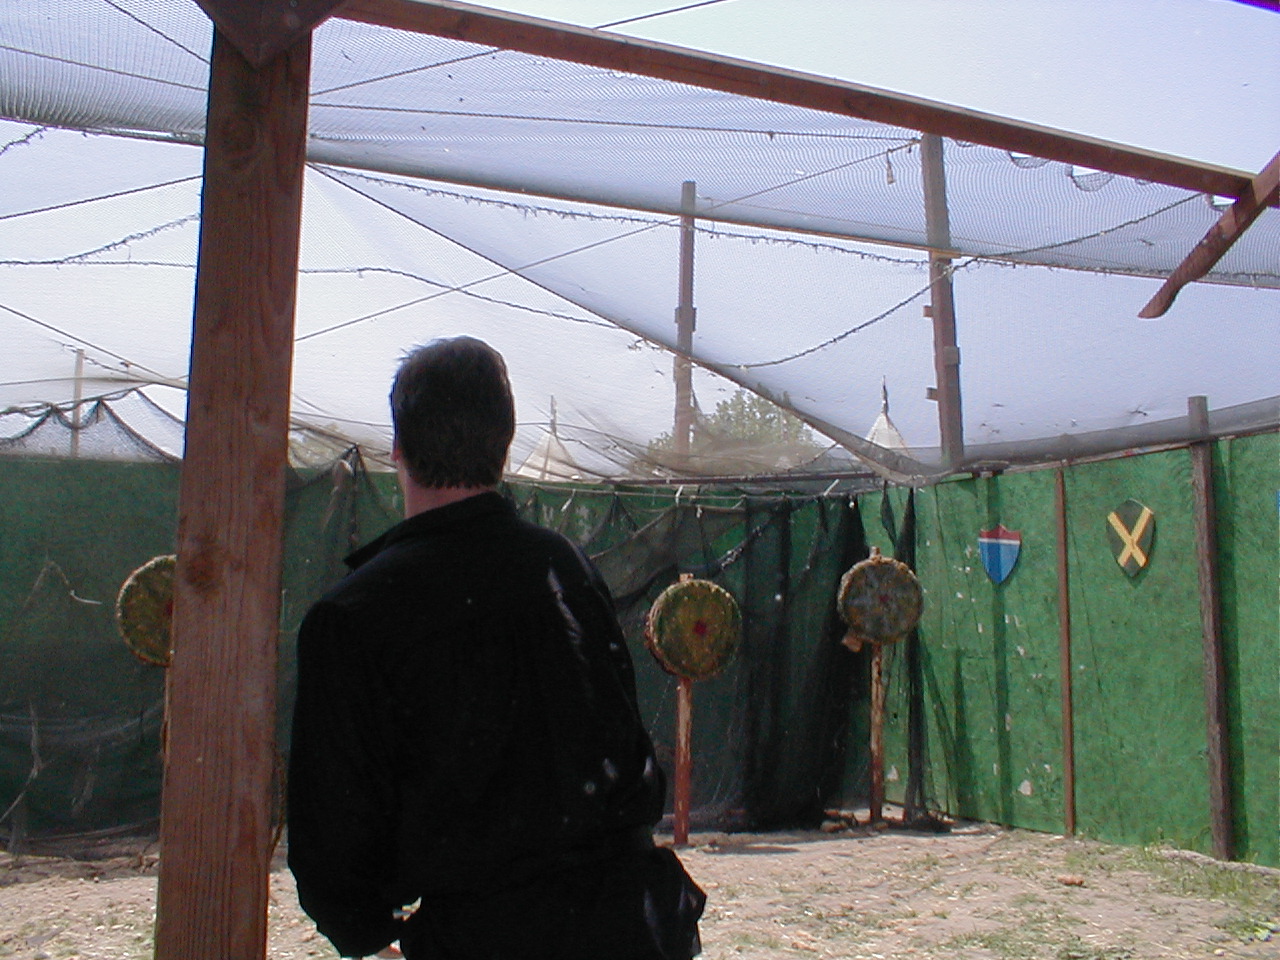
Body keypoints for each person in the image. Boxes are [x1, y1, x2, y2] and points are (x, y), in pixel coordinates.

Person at [287, 336, 706, 960]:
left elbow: (334, 838)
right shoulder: (564, 568)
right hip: (634, 927)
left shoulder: (354, 614)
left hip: (488, 935)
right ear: (504, 444)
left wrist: (367, 933)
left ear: (397, 447)